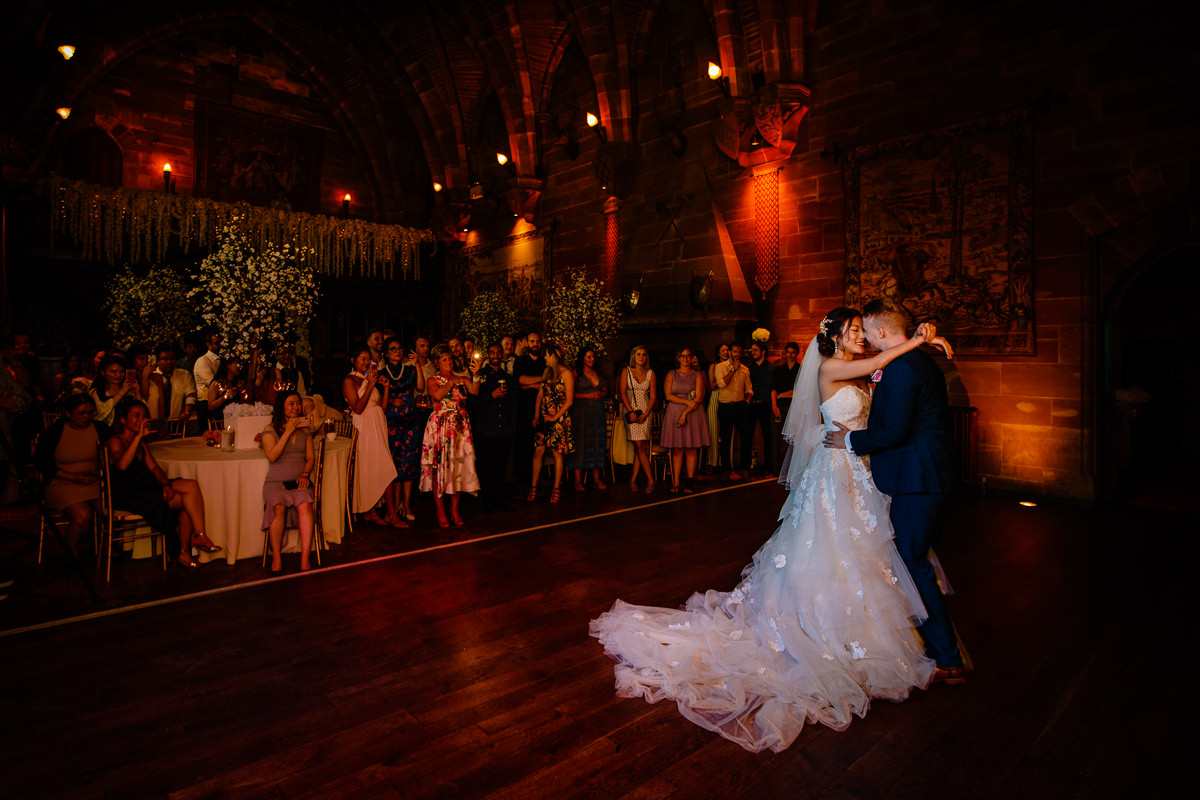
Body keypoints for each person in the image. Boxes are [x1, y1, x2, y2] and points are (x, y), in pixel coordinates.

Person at [590, 307, 953, 753]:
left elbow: (875, 401)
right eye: (854, 330)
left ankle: (870, 633)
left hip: (861, 470)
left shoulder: (859, 373)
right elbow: (879, 364)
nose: (861, 336)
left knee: (872, 552)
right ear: (836, 339)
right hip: (836, 472)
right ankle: (825, 631)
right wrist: (919, 339)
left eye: (863, 330)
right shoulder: (833, 366)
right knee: (830, 550)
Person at [824, 298, 965, 684]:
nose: (865, 338)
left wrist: (849, 441)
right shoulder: (908, 362)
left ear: (881, 331)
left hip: (918, 478)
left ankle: (947, 657)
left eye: (866, 331)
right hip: (913, 475)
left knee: (912, 560)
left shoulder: (901, 368)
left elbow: (891, 432)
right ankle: (921, 643)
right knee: (908, 557)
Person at [106, 397, 217, 567]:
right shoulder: (115, 440)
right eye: (136, 416)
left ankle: (200, 536)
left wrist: (165, 485)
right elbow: (122, 465)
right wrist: (138, 438)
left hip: (145, 486)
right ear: (123, 419)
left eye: (143, 416)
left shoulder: (141, 443)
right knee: (186, 502)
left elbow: (155, 468)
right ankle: (184, 551)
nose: (141, 420)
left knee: (191, 486)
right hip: (129, 493)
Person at [34, 394, 107, 555]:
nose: (87, 417)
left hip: (93, 481)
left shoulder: (100, 428)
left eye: (90, 412)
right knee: (82, 515)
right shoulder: (55, 432)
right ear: (68, 413)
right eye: (81, 413)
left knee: (108, 510)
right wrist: (74, 477)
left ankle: (105, 548)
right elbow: (42, 464)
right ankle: (70, 550)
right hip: (61, 482)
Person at [419, 344, 480, 527]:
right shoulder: (433, 380)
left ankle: (455, 509)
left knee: (457, 468)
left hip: (460, 427)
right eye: (445, 359)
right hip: (441, 427)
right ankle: (440, 508)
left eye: (450, 359)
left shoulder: (461, 378)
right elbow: (437, 396)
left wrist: (475, 375)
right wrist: (450, 383)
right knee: (440, 467)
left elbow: (475, 390)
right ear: (438, 363)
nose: (449, 362)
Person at [260, 390, 315, 572]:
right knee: (278, 507)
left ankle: (305, 556)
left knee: (305, 504)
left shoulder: (305, 430)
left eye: (298, 403)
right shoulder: (269, 430)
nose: (296, 407)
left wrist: (305, 474)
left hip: (298, 481)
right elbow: (272, 456)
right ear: (281, 407)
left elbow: (310, 458)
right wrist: (288, 431)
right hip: (276, 482)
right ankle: (276, 556)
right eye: (291, 403)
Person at [342, 348, 398, 526]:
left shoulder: (367, 379)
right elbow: (357, 408)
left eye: (368, 360)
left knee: (379, 467)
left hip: (378, 424)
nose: (366, 363)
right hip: (364, 425)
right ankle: (388, 513)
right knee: (382, 467)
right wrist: (371, 385)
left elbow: (382, 406)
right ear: (353, 359)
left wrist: (386, 388)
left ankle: (376, 512)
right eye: (362, 359)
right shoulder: (349, 380)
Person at [380, 336, 423, 526]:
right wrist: (390, 401)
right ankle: (395, 504)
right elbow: (377, 397)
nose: (397, 351)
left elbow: (420, 387)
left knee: (409, 462)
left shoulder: (410, 369)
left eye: (399, 348)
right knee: (394, 462)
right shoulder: (382, 372)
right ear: (386, 353)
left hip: (410, 420)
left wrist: (418, 365)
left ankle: (407, 504)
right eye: (393, 348)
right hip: (391, 421)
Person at [528, 342, 574, 504]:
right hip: (544, 418)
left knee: (557, 453)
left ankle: (556, 488)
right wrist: (536, 415)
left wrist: (555, 417)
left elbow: (569, 401)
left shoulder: (566, 374)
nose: (544, 357)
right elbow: (540, 395)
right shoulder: (547, 372)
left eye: (546, 355)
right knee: (538, 451)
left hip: (559, 419)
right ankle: (533, 487)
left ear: (553, 356)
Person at [473, 342, 516, 512]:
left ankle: (500, 501)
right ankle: (486, 503)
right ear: (488, 355)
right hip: (485, 428)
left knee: (500, 466)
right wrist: (492, 395)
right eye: (492, 353)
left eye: (498, 353)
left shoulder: (508, 377)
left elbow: (513, 403)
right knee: (485, 467)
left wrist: (512, 424)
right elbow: (474, 402)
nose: (496, 356)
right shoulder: (481, 376)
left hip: (503, 429)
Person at [661, 346, 709, 494]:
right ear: (678, 358)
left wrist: (685, 412)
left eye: (688, 356)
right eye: (683, 356)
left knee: (690, 448)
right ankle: (675, 481)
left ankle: (689, 481)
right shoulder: (671, 374)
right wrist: (686, 402)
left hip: (693, 413)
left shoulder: (698, 375)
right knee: (676, 449)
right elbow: (668, 395)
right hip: (674, 411)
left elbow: (699, 398)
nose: (686, 359)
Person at [569, 346, 609, 492]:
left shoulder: (598, 373)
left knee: (597, 444)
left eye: (593, 357)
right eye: (588, 357)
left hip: (597, 413)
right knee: (580, 444)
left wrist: (601, 393)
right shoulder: (575, 374)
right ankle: (578, 481)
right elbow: (569, 394)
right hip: (581, 414)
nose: (592, 359)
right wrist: (586, 395)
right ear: (582, 358)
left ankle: (597, 480)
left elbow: (605, 388)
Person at [619, 345, 656, 493]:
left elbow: (653, 396)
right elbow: (622, 393)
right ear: (633, 356)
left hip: (646, 410)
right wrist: (631, 411)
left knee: (640, 448)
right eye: (638, 354)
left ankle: (633, 479)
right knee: (640, 447)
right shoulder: (626, 371)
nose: (641, 357)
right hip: (631, 411)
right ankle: (651, 480)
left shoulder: (651, 373)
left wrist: (647, 413)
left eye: (644, 355)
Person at [714, 343, 752, 479]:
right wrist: (733, 370)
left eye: (739, 352)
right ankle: (726, 469)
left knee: (746, 436)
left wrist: (747, 400)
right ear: (730, 352)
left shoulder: (745, 369)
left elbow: (749, 388)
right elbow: (721, 384)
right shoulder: (720, 367)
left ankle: (745, 467)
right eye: (735, 352)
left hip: (740, 406)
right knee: (725, 439)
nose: (737, 355)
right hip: (725, 406)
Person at [513, 331, 546, 490]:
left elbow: (546, 384)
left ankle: (535, 483)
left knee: (539, 448)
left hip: (541, 409)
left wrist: (529, 384)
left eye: (538, 341)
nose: (535, 344)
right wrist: (540, 380)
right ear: (527, 342)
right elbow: (519, 380)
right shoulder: (520, 361)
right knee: (523, 447)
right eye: (532, 341)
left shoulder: (544, 361)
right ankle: (522, 485)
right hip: (524, 409)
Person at [145, 344, 196, 425]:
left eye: (172, 358)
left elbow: (190, 395)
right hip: (154, 422)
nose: (169, 362)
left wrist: (187, 412)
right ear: (157, 361)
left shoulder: (184, 375)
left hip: (177, 421)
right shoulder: (151, 377)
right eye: (165, 359)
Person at [746, 341, 775, 473]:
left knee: (767, 435)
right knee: (748, 434)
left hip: (766, 404)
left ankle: (768, 465)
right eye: (752, 350)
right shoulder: (748, 368)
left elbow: (773, 386)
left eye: (755, 350)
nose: (753, 353)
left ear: (763, 351)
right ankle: (747, 465)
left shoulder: (771, 367)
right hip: (752, 404)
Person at [89, 354, 141, 426]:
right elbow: (100, 414)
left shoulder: (128, 391)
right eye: (114, 372)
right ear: (103, 372)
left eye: (122, 371)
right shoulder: (96, 392)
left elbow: (141, 410)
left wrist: (137, 393)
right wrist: (121, 393)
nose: (118, 375)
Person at [704, 343, 727, 472]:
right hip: (716, 395)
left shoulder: (732, 366)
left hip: (728, 396)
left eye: (727, 350)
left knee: (727, 432)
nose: (725, 352)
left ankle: (725, 462)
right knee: (712, 430)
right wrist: (723, 378)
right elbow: (712, 385)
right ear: (718, 353)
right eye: (722, 350)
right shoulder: (714, 366)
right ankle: (711, 462)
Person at [192, 331, 222, 427]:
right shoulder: (202, 361)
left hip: (219, 401)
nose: (219, 345)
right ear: (208, 344)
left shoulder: (220, 359)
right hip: (205, 402)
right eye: (216, 343)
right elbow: (211, 383)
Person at [771, 341, 801, 428]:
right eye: (788, 352)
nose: (790, 355)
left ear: (797, 354)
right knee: (776, 436)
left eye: (793, 352)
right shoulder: (778, 369)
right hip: (780, 406)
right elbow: (773, 388)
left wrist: (782, 394)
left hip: (795, 407)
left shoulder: (801, 370)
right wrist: (774, 406)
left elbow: (800, 391)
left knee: (793, 437)